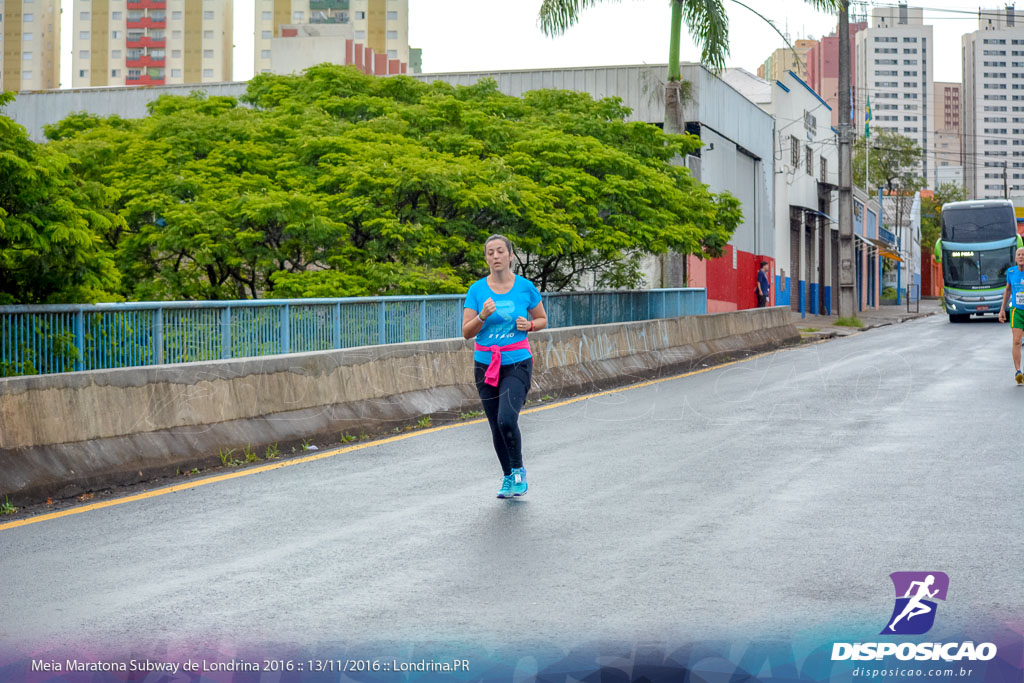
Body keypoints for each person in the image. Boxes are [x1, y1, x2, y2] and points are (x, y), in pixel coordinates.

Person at [462, 235, 548, 498]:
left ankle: (519, 471)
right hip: (486, 365)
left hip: (517, 362)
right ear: (486, 258)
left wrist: (530, 326)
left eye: (501, 251)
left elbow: (542, 318)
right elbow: (467, 332)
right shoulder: (477, 290)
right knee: (495, 425)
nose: (496, 256)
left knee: (506, 419)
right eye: (490, 252)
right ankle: (508, 477)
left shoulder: (525, 287)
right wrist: (482, 316)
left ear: (511, 256)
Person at [997, 247, 1024, 384]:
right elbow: (1008, 291)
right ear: (1015, 258)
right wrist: (1002, 309)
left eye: (1023, 255)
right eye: (1019, 254)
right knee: (1017, 341)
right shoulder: (1011, 272)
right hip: (1017, 311)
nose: (1021, 257)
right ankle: (1018, 372)